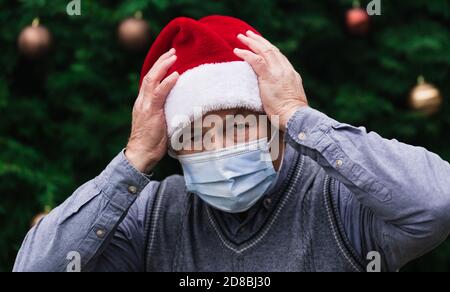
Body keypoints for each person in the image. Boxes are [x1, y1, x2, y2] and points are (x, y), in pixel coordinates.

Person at [14, 15, 450, 272]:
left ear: (274, 122)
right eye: (195, 134)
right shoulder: (152, 212)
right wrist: (134, 159)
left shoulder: (338, 198)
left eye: (240, 124)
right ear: (172, 146)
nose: (218, 150)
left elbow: (437, 202)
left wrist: (302, 117)